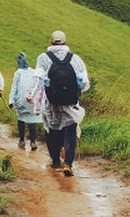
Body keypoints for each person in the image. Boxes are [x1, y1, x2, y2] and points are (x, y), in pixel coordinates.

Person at [27, 31, 90, 177]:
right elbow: (84, 83)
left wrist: (30, 94)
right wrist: (74, 91)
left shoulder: (43, 58)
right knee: (70, 131)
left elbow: (37, 78)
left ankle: (55, 162)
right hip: (70, 104)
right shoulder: (75, 59)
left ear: (51, 42)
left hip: (51, 104)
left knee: (52, 131)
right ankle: (68, 163)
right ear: (65, 42)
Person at [9, 53, 42, 151]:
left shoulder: (18, 73)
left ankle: (22, 140)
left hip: (20, 100)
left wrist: (11, 101)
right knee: (32, 121)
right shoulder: (33, 71)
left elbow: (14, 87)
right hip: (30, 99)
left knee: (21, 119)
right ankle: (33, 141)